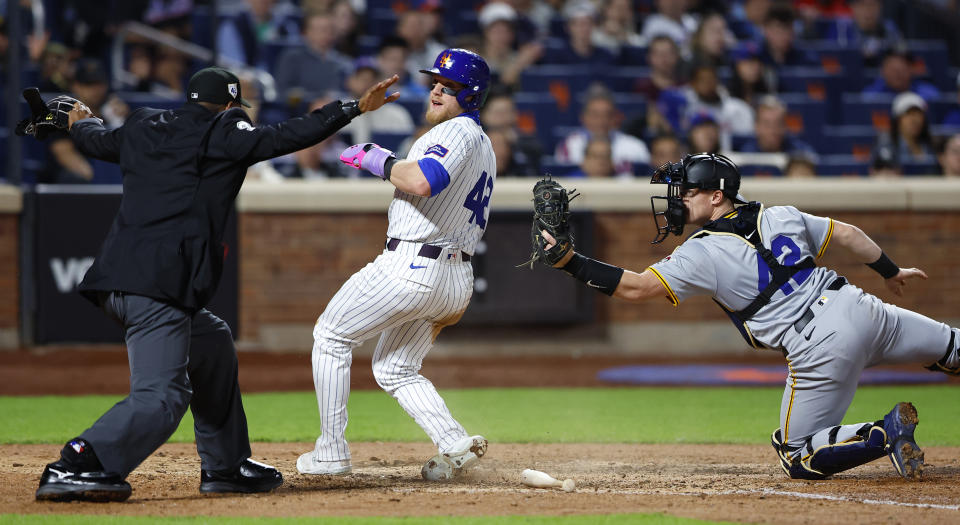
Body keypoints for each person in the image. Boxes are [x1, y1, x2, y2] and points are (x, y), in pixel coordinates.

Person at [33, 66, 401, 502]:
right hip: (157, 287)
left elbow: (95, 139)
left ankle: (225, 465)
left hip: (122, 278)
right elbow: (288, 135)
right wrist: (354, 107)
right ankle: (80, 463)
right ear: (229, 105)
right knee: (161, 396)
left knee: (212, 342)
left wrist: (80, 119)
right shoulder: (224, 133)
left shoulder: (142, 125)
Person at [534, 153, 957, 481]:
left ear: (716, 196)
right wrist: (890, 271)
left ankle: (883, 433)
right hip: (862, 307)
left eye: (687, 193)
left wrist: (570, 261)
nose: (678, 200)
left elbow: (638, 287)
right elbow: (848, 234)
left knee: (797, 454)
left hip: (817, 343)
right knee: (953, 347)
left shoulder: (701, 250)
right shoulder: (780, 214)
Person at [297, 48, 496, 481]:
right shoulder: (483, 144)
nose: (438, 89)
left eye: (451, 85)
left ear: (472, 95)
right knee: (395, 367)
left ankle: (331, 451)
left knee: (330, 336)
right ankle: (453, 441)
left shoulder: (460, 131)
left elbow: (423, 181)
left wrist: (376, 158)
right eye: (435, 83)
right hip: (453, 277)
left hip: (412, 265)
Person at [555, 90, 650, 177]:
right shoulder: (568, 146)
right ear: (583, 117)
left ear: (616, 117)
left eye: (607, 114)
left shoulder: (636, 147)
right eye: (595, 115)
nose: (602, 120)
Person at [275, 11, 352, 107]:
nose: (326, 33)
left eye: (330, 29)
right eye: (321, 29)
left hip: (337, 110)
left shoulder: (344, 62)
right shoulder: (292, 58)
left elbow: (349, 92)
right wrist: (313, 100)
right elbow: (282, 92)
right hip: (300, 111)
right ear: (306, 32)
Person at [871, 91, 937, 174]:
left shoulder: (930, 145)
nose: (914, 120)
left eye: (919, 114)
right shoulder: (886, 144)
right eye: (909, 114)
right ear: (897, 119)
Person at [737, 96, 816, 156]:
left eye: (778, 124)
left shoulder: (800, 154)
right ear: (756, 127)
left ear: (785, 127)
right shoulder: (746, 156)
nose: (772, 130)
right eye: (767, 124)